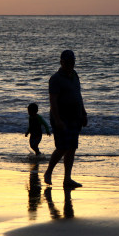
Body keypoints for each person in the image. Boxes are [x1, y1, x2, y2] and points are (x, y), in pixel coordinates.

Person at [44, 50, 88, 189]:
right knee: (62, 147)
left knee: (72, 148)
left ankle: (67, 179)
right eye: (68, 62)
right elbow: (53, 101)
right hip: (62, 118)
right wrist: (57, 120)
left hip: (76, 117)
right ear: (61, 62)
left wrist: (84, 113)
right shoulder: (56, 79)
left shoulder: (75, 75)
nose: (71, 64)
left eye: (72, 61)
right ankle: (48, 172)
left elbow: (78, 95)